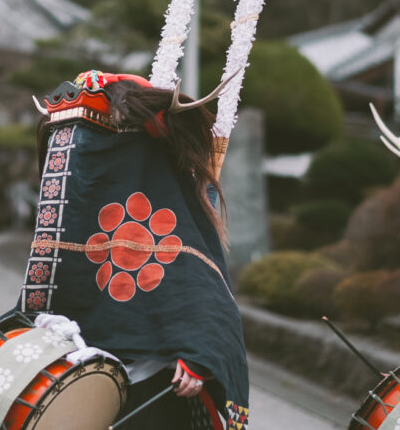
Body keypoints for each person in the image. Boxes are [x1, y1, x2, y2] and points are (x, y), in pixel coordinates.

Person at [18, 69, 250, 429]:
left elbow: (207, 298)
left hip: (154, 390)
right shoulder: (72, 222)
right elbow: (41, 302)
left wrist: (198, 357)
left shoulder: (168, 226)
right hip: (72, 383)